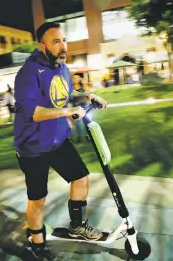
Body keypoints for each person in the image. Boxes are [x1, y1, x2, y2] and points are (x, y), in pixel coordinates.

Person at [14, 22, 107, 260]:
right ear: (42, 45)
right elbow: (31, 112)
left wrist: (87, 96)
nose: (63, 46)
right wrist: (66, 112)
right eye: (56, 42)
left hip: (57, 139)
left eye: (64, 40)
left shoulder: (62, 68)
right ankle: (37, 243)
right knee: (38, 199)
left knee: (81, 178)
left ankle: (77, 226)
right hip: (32, 146)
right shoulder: (29, 72)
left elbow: (65, 96)